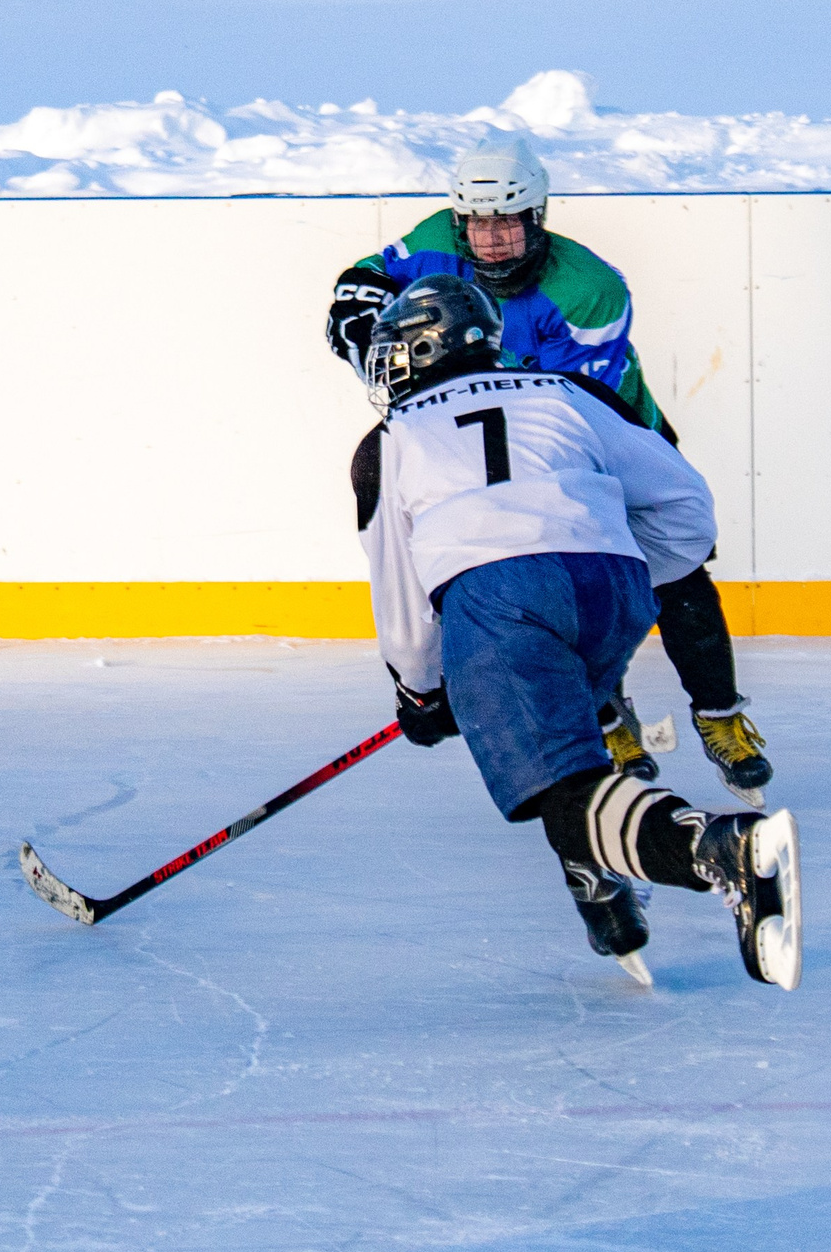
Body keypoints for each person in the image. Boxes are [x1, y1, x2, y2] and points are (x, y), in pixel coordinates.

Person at [352, 274, 801, 990]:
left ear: (425, 347)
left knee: (562, 794)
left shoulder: (392, 438)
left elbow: (403, 607)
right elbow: (687, 507)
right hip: (611, 586)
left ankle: (718, 847)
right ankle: (604, 894)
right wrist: (616, 568)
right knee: (569, 749)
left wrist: (421, 692)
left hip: (496, 598)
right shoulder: (567, 392)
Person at [326, 131, 775, 807]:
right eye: (479, 223)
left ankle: (719, 715)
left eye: (507, 221)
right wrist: (364, 335)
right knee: (558, 571)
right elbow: (359, 285)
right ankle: (604, 712)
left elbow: (574, 410)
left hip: (608, 434)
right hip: (514, 444)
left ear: (537, 217)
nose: (493, 239)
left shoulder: (587, 289)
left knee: (678, 575)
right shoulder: (431, 240)